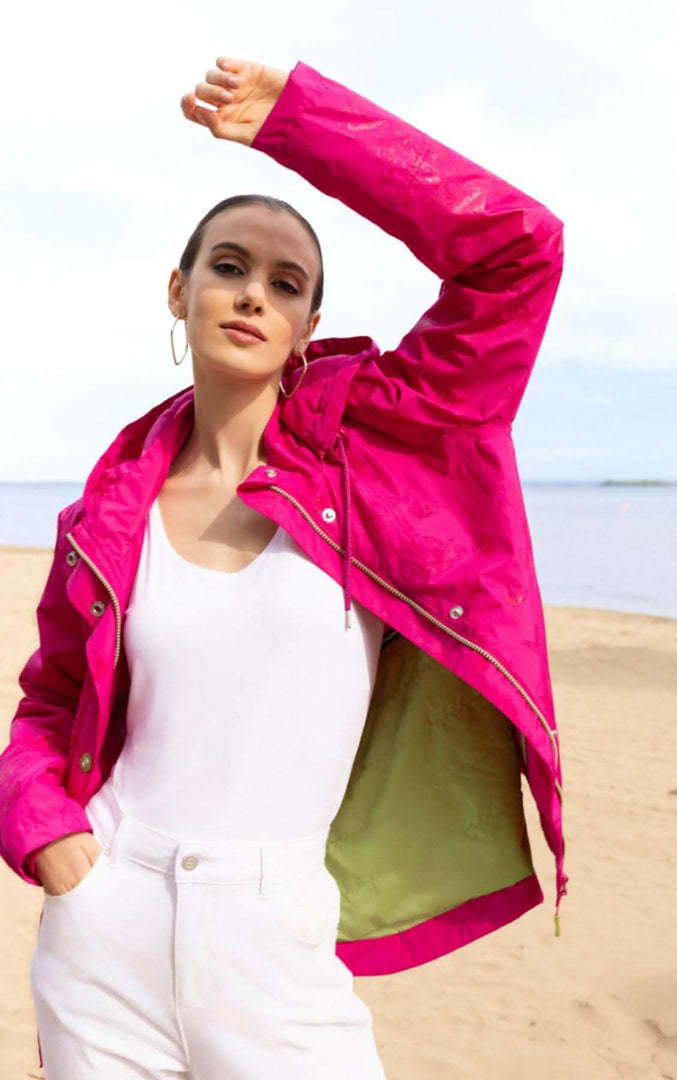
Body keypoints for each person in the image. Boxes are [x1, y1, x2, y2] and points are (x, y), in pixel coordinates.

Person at [0, 56, 567, 1079]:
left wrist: (303, 128)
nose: (252, 293)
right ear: (179, 292)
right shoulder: (105, 512)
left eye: (285, 281)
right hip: (103, 928)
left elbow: (518, 254)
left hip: (279, 946)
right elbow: (49, 703)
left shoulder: (374, 456)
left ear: (308, 323)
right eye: (227, 267)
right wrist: (46, 835)